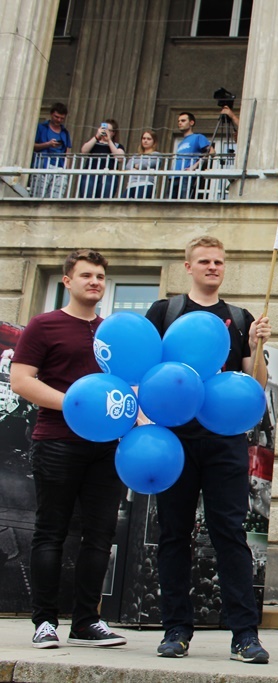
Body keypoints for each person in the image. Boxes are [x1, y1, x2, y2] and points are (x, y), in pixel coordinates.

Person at [144, 235, 272, 663]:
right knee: (173, 535)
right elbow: (143, 371)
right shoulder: (165, 312)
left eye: (218, 261)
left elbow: (255, 385)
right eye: (204, 261)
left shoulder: (239, 318)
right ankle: (176, 630)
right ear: (188, 267)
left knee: (230, 534)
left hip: (224, 440)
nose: (213, 267)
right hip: (174, 440)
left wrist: (255, 347)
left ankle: (244, 635)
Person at [10, 249, 128, 649]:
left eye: (100, 276)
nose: (94, 282)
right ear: (67, 281)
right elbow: (21, 380)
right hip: (57, 441)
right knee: (51, 532)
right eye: (86, 275)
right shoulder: (44, 325)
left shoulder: (113, 332)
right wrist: (77, 405)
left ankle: (86, 622)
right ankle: (45, 622)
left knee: (100, 535)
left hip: (107, 448)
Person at [31, 103, 72, 198]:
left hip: (60, 168)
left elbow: (67, 152)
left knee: (55, 199)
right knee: (38, 197)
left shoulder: (65, 132)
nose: (59, 120)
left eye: (62, 118)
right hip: (43, 165)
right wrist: (48, 144)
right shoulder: (41, 128)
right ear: (51, 114)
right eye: (56, 117)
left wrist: (67, 170)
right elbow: (32, 146)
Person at [79, 119, 125, 199]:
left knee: (105, 198)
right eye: (103, 129)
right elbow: (83, 151)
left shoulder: (117, 146)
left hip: (108, 175)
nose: (105, 132)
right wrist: (96, 137)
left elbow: (120, 158)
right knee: (87, 196)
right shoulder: (94, 142)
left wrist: (109, 141)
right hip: (91, 173)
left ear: (113, 133)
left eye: (108, 130)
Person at [169, 112, 211, 199]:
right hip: (174, 176)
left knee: (184, 203)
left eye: (183, 120)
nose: (180, 123)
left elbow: (212, 152)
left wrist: (195, 166)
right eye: (178, 121)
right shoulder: (180, 143)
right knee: (171, 205)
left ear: (191, 123)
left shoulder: (198, 137)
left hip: (186, 176)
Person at [124, 130, 161, 199]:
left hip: (145, 184)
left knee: (139, 205)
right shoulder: (136, 155)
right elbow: (127, 166)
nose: (145, 141)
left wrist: (135, 165)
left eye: (148, 139)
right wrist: (136, 166)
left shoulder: (156, 154)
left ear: (154, 141)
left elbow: (146, 164)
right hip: (131, 184)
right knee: (122, 204)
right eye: (144, 138)